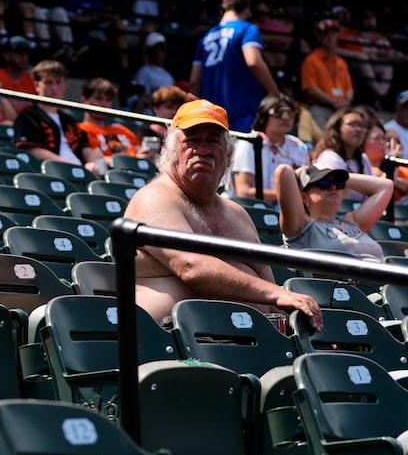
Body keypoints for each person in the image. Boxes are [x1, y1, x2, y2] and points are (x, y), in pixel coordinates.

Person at [122, 99, 323, 329]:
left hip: (249, 339)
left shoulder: (237, 213)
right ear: (171, 150)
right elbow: (190, 267)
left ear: (228, 156)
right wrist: (278, 294)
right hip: (166, 341)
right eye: (192, 140)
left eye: (212, 141)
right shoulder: (154, 198)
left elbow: (271, 291)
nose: (202, 150)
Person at [187, 0, 280, 136]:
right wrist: (275, 93)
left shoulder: (205, 38)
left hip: (211, 118)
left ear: (223, 9)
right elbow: (254, 62)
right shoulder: (247, 29)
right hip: (242, 115)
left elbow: (194, 82)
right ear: (247, 10)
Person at [274, 164, 393, 259]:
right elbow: (284, 171)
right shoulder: (302, 228)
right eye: (323, 184)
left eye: (338, 184)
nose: (333, 188)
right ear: (304, 197)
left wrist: (331, 173)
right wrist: (303, 172)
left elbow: (386, 185)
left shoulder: (351, 222)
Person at [226, 93, 310, 203]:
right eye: (278, 112)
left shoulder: (298, 146)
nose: (285, 117)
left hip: (290, 208)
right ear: (264, 115)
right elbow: (244, 192)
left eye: (291, 113)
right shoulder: (249, 144)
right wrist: (287, 194)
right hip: (253, 210)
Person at [12, 58, 96, 168]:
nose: (54, 88)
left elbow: (86, 148)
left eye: (58, 82)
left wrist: (92, 163)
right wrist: (69, 164)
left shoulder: (70, 120)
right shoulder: (28, 116)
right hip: (52, 171)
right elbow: (33, 151)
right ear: (37, 85)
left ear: (64, 85)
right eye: (48, 83)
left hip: (80, 172)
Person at [77, 78, 144, 171]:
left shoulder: (121, 129)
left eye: (108, 100)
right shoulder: (81, 129)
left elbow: (141, 153)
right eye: (99, 99)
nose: (104, 104)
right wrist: (135, 159)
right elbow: (98, 162)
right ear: (84, 100)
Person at [300, 18, 354, 132]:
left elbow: (349, 88)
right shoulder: (311, 60)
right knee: (322, 136)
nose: (329, 37)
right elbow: (311, 88)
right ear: (319, 37)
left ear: (338, 35)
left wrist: (347, 101)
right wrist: (333, 101)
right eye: (325, 34)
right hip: (319, 107)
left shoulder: (341, 62)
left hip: (341, 108)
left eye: (333, 33)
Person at [312, 108, 374, 200]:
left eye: (362, 126)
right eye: (352, 124)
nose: (359, 130)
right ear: (337, 128)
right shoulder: (329, 157)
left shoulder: (363, 158)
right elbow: (341, 196)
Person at [0, 35, 38, 114]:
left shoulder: (30, 78)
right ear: (6, 56)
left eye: (26, 53)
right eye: (19, 53)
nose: (24, 57)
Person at [131, 32, 175, 99]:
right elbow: (141, 98)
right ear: (149, 51)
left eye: (163, 48)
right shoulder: (144, 72)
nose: (159, 52)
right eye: (156, 49)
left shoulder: (169, 76)